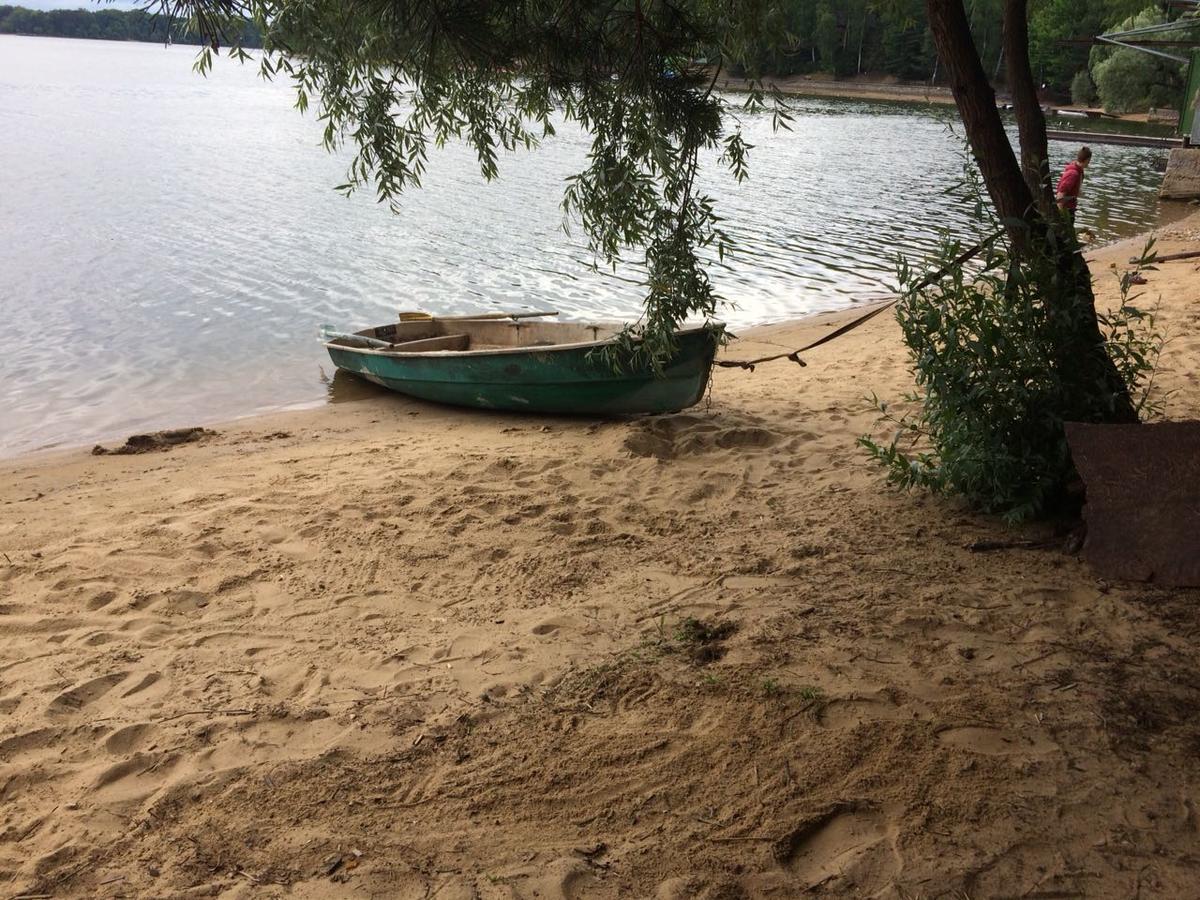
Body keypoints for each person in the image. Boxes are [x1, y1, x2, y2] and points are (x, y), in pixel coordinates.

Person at [1055, 146, 1092, 221]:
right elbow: (1060, 194)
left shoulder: (1079, 171)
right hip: (1066, 210)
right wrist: (1060, 215)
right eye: (1089, 160)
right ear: (1087, 160)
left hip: (1071, 208)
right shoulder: (1073, 173)